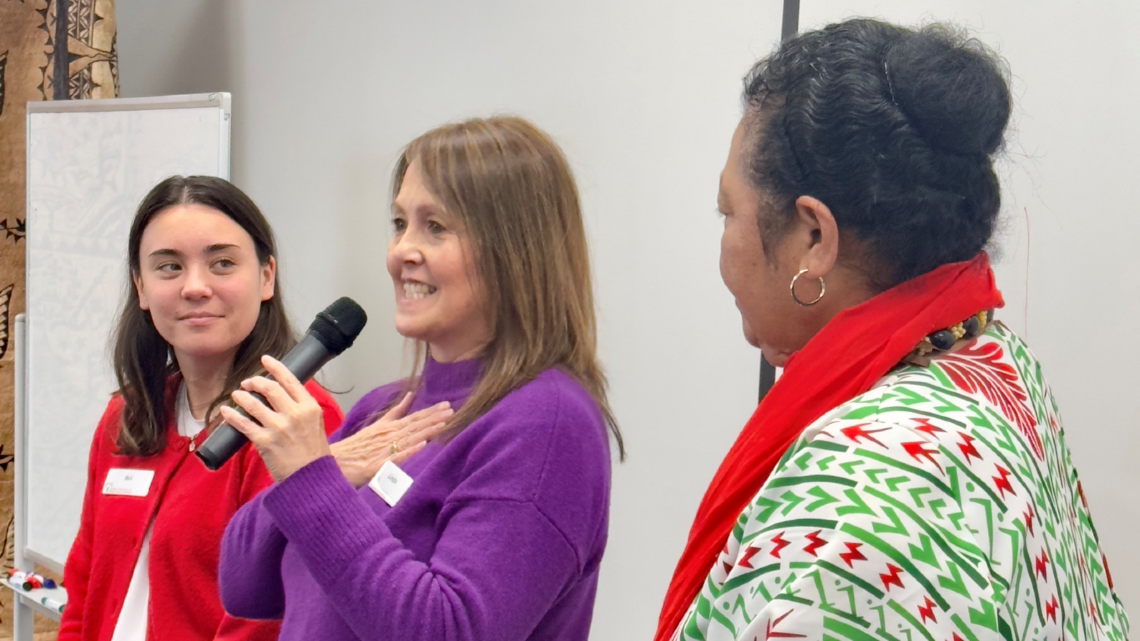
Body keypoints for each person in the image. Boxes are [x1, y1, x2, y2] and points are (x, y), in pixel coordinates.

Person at [656, 19, 1129, 641]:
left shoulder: (844, 524)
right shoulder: (990, 354)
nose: (723, 242)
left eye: (728, 212)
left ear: (815, 237)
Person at [218, 116, 622, 641]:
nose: (401, 252)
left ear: (515, 249)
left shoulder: (546, 423)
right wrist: (329, 469)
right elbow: (243, 584)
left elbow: (450, 629)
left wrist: (312, 479)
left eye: (436, 226)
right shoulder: (386, 409)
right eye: (399, 223)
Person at [57, 175, 351, 641]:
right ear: (141, 287)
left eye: (222, 263)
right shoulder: (127, 416)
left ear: (265, 277)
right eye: (169, 267)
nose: (195, 287)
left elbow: (267, 619)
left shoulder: (293, 420)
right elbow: (85, 581)